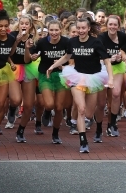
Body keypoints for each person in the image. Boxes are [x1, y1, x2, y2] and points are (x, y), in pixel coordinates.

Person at [47, 18, 114, 153]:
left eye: (84, 28)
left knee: (88, 114)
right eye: (79, 28)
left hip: (94, 78)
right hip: (76, 77)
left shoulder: (96, 42)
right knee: (81, 109)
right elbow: (67, 57)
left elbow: (106, 61)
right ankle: (83, 142)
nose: (81, 31)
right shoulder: (72, 42)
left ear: (88, 29)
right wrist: (52, 66)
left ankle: (86, 123)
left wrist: (111, 78)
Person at [25, 20, 70, 144]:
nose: (54, 33)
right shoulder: (42, 42)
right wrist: (30, 53)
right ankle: (47, 111)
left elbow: (71, 58)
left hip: (61, 75)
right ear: (48, 31)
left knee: (60, 108)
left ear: (61, 30)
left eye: (56, 30)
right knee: (49, 104)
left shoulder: (66, 42)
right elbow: (33, 55)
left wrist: (64, 66)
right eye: (51, 30)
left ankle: (55, 134)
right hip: (45, 74)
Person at [95, 16, 126, 141]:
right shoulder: (101, 38)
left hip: (117, 68)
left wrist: (122, 57)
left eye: (115, 25)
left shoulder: (123, 37)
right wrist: (109, 59)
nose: (113, 27)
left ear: (118, 26)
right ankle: (98, 129)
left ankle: (112, 124)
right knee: (101, 103)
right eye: (111, 24)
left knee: (116, 93)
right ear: (107, 25)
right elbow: (96, 57)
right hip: (102, 68)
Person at [7, 15, 40, 142]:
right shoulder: (12, 36)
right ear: (19, 25)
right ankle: (11, 109)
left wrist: (27, 48)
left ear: (30, 26)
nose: (24, 26)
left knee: (28, 104)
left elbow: (27, 60)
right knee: (15, 100)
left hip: (28, 69)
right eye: (22, 23)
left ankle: (21, 130)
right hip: (13, 67)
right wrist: (16, 41)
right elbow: (8, 53)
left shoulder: (33, 40)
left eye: (27, 23)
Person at [0, 10, 15, 146]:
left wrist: (11, 62)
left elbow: (8, 54)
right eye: (0, 26)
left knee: (1, 104)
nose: (3, 28)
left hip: (3, 72)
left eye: (5, 26)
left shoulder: (11, 39)